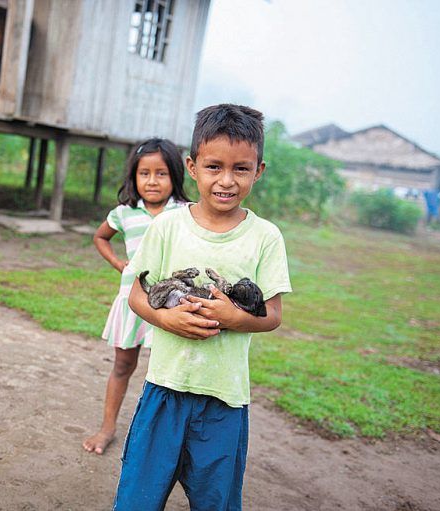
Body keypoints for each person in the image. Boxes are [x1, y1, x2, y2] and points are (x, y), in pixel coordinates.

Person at [113, 104, 292, 510]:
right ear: (192, 167)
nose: (226, 181)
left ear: (258, 170)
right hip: (165, 390)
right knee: (137, 499)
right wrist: (165, 318)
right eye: (214, 167)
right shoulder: (168, 227)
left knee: (217, 502)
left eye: (241, 169)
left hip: (224, 400)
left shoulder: (265, 237)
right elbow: (137, 294)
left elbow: (274, 315)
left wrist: (235, 317)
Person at [82, 138, 190, 455]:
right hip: (131, 302)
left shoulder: (185, 213)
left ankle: (158, 441)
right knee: (122, 366)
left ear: (175, 176)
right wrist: (117, 262)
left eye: (161, 173)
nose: (152, 181)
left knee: (165, 374)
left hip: (170, 305)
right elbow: (101, 237)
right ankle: (107, 428)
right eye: (145, 173)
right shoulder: (125, 213)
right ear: (134, 176)